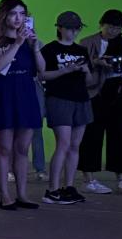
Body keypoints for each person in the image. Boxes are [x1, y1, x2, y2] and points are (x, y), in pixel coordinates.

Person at [0, 0, 46, 210]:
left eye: (22, 13)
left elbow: (42, 71)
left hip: (27, 95)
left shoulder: (29, 40)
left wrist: (35, 47)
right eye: (13, 13)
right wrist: (17, 43)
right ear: (4, 15)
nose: (18, 18)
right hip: (5, 96)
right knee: (4, 148)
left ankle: (22, 193)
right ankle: (5, 195)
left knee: (22, 148)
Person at [79, 9, 122, 194]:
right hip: (97, 94)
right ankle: (89, 178)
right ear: (101, 24)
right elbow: (80, 67)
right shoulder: (87, 42)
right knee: (92, 136)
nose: (113, 31)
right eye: (110, 27)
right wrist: (97, 62)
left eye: (118, 28)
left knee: (120, 135)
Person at [40, 11, 94, 205]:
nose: (73, 32)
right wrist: (66, 70)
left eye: (76, 28)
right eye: (69, 28)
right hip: (59, 98)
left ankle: (69, 185)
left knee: (74, 145)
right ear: (60, 28)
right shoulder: (50, 49)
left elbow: (89, 81)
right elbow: (42, 75)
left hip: (81, 99)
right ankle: (52, 189)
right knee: (63, 143)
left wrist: (85, 70)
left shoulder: (81, 50)